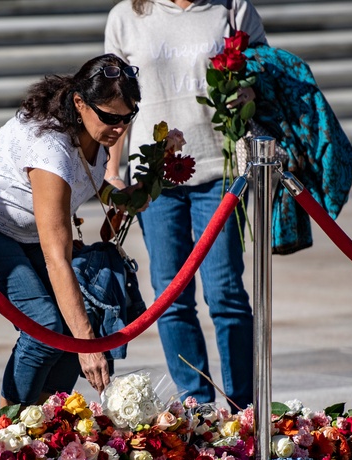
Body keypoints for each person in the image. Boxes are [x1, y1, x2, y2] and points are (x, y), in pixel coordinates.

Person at [0, 54, 142, 407]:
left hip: (21, 227)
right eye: (110, 117)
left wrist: (118, 196)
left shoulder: (97, 136)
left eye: (128, 116)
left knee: (72, 321)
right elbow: (56, 258)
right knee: (46, 327)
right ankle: (6, 432)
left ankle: (43, 430)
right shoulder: (51, 147)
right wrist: (88, 346)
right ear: (80, 103)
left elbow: (83, 180)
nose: (120, 128)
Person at [105, 0, 267, 409]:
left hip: (219, 169)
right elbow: (113, 103)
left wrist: (249, 90)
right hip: (152, 176)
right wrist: (111, 169)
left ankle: (243, 407)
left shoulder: (231, 7)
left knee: (225, 292)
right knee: (171, 295)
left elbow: (267, 67)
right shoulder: (127, 16)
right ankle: (196, 403)